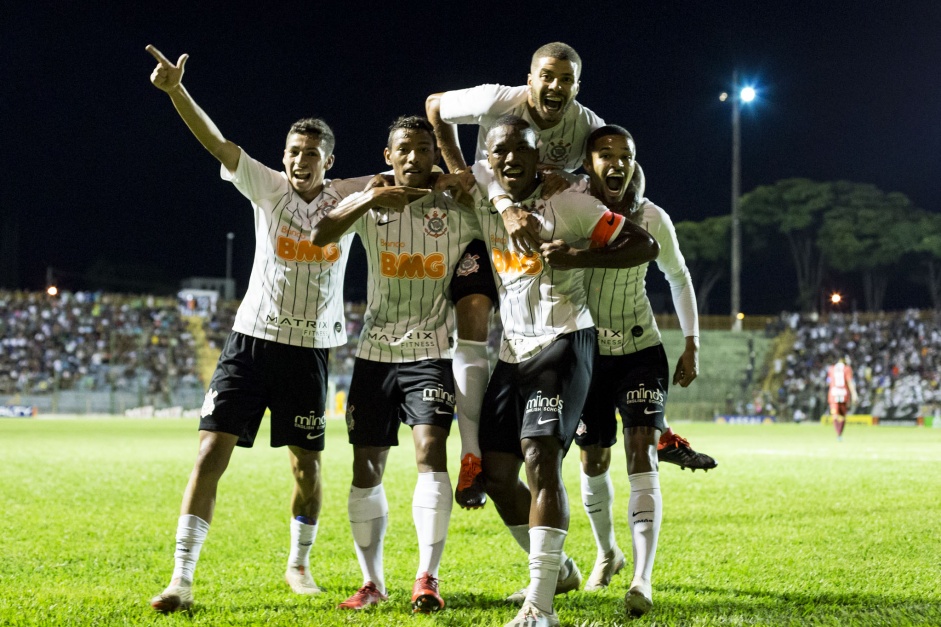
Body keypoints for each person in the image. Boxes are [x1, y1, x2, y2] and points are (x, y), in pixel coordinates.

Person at [427, 45, 711, 514]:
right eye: (547, 76)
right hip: (484, 213)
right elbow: (435, 107)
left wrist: (573, 182)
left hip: (542, 228)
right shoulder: (498, 100)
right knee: (473, 309)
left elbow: (616, 165)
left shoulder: (588, 125)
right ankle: (470, 454)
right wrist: (461, 173)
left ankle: (652, 426)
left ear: (577, 86)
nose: (555, 86)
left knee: (582, 306)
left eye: (566, 80)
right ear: (530, 78)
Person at [145, 45, 365, 613]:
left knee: (307, 467)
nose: (299, 161)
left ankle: (299, 564)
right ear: (283, 155)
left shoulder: (350, 198)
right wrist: (176, 91)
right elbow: (216, 141)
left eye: (311, 154)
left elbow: (406, 175)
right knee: (209, 452)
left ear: (328, 162)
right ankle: (181, 578)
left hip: (310, 350)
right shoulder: (265, 186)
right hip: (251, 341)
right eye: (293, 151)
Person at [472, 115, 659, 627]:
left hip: (563, 341)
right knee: (496, 474)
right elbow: (447, 151)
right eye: (500, 152)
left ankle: (541, 605)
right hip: (511, 353)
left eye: (522, 151)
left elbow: (645, 245)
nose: (511, 160)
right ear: (489, 160)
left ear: (541, 158)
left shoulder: (572, 202)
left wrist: (580, 257)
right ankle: (560, 572)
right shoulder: (484, 200)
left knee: (542, 459)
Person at [310, 116, 479, 613]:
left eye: (423, 149)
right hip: (374, 354)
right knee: (366, 467)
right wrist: (366, 196)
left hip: (431, 350)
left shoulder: (457, 212)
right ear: (389, 156)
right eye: (403, 149)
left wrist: (463, 184)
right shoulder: (371, 205)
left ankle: (427, 576)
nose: (413, 158)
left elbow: (495, 210)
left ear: (434, 155)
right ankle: (372, 582)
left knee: (430, 453)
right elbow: (321, 235)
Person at [573, 125, 703, 616]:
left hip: (640, 348)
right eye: (604, 154)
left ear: (633, 161)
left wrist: (691, 342)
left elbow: (679, 275)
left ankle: (643, 580)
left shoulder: (652, 216)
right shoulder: (572, 209)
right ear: (588, 163)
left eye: (624, 154)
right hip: (586, 351)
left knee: (641, 454)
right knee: (593, 461)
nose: (616, 162)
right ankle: (608, 554)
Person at [827, 356, 857, 441]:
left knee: (835, 415)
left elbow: (829, 381)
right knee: (843, 416)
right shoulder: (847, 369)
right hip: (843, 394)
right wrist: (854, 394)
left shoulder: (831, 368)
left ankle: (838, 434)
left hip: (833, 394)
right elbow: (849, 382)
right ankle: (839, 434)